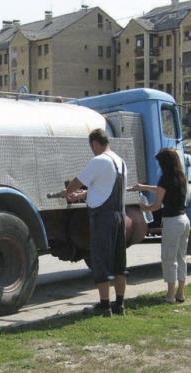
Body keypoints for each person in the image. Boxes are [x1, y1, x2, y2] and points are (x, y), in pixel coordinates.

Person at [61, 128, 128, 317]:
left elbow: (78, 181)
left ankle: (105, 306)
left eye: (92, 147)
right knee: (119, 263)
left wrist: (68, 193)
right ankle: (120, 304)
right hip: (119, 216)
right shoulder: (120, 162)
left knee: (101, 261)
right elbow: (104, 187)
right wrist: (83, 195)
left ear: (95, 143)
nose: (92, 150)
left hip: (103, 218)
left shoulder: (99, 160)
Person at [133, 148, 190, 304]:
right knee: (181, 257)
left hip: (172, 222)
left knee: (168, 258)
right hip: (184, 220)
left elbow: (157, 205)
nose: (158, 165)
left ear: (164, 163)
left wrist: (144, 208)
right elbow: (161, 190)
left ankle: (170, 295)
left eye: (159, 162)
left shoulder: (165, 178)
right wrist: (144, 187)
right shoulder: (181, 176)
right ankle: (180, 293)